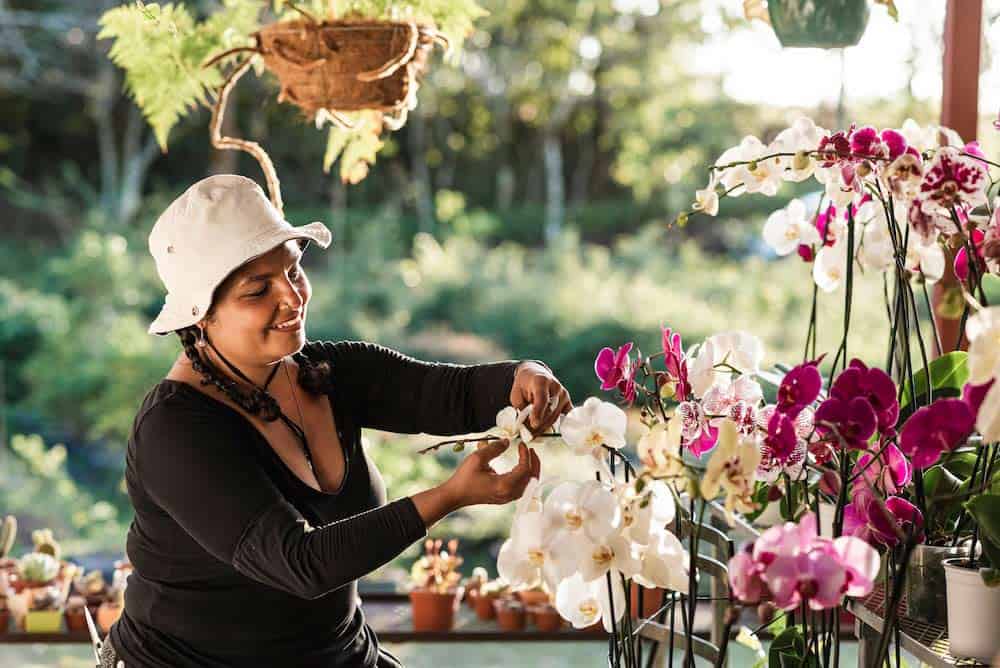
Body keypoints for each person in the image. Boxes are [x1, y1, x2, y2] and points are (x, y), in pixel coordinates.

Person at [103, 174, 571, 667]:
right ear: (200, 316)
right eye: (258, 289)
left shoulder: (329, 372)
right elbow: (300, 563)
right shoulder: (174, 429)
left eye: (294, 270)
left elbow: (447, 393)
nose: (292, 297)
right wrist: (450, 496)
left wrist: (524, 375)